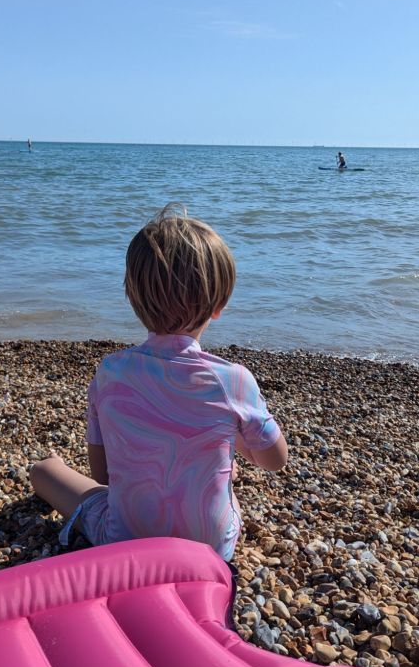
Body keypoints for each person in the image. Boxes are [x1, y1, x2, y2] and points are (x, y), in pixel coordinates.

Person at [30, 204, 288, 560]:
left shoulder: (111, 372)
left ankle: (46, 466)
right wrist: (236, 438)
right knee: (220, 481)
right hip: (210, 551)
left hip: (123, 543)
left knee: (47, 473)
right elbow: (274, 460)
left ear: (134, 300)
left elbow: (102, 475)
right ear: (219, 305)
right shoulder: (233, 381)